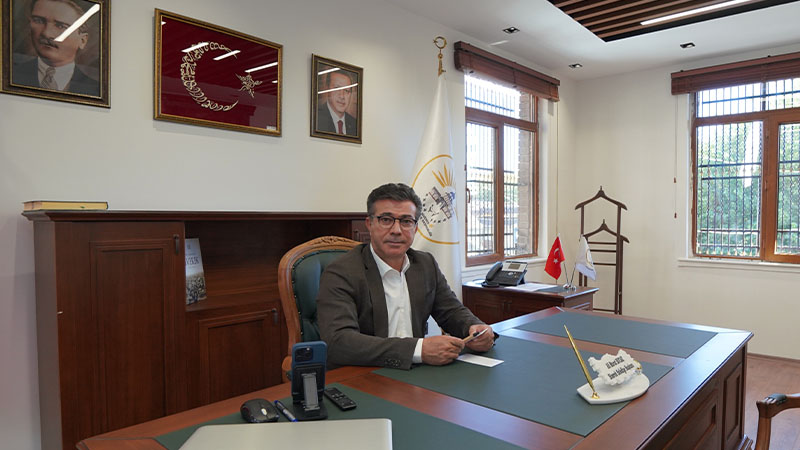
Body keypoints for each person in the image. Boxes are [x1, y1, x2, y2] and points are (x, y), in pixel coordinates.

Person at [317, 183, 494, 369]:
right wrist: (418, 350)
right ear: (369, 224)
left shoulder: (425, 264)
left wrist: (474, 328)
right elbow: (339, 342)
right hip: (363, 373)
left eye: (406, 221)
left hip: (415, 372)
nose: (396, 230)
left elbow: (451, 311)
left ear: (415, 228)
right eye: (386, 220)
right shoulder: (341, 272)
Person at [11, 0, 99, 96]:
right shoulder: (11, 75)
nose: (46, 33)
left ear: (82, 40)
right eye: (39, 21)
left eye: (60, 26)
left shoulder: (95, 89)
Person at [316, 69, 357, 136]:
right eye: (337, 89)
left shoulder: (354, 124)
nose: (342, 96)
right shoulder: (317, 119)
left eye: (346, 91)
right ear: (327, 89)